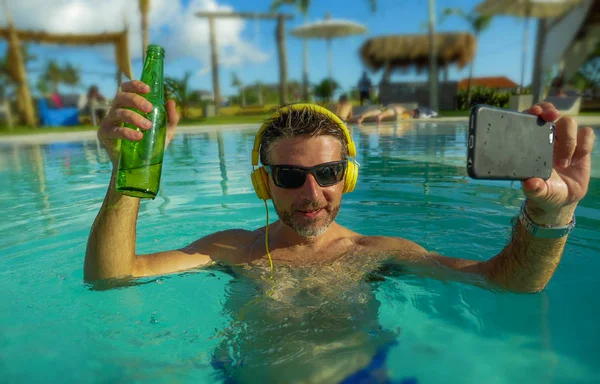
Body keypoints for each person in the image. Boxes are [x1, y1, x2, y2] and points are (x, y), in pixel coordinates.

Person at [86, 80, 595, 381]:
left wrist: (550, 216)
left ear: (346, 176)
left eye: (327, 173)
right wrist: (125, 177)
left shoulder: (376, 252)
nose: (312, 194)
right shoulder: (231, 250)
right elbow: (112, 278)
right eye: (289, 177)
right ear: (264, 184)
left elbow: (508, 281)